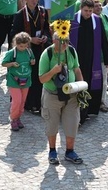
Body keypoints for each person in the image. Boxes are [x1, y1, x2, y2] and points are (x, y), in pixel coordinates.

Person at [39, 24, 84, 165]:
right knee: (52, 124)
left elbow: (76, 69)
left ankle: (70, 151)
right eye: (62, 40)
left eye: (67, 40)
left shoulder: (71, 51)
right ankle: (52, 151)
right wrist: (53, 71)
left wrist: (81, 86)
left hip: (71, 95)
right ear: (54, 41)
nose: (65, 43)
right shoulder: (47, 54)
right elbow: (41, 79)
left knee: (72, 123)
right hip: (52, 95)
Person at [69, 0, 108, 123]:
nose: (88, 13)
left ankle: (87, 110)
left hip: (91, 59)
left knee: (89, 83)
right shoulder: (73, 20)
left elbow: (103, 40)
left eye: (90, 11)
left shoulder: (97, 21)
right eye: (86, 10)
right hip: (76, 59)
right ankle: (75, 111)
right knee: (77, 83)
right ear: (81, 8)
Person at [2, 32, 35, 131]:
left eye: (25, 46)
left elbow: (32, 60)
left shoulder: (29, 52)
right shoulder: (12, 53)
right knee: (17, 101)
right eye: (21, 46)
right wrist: (12, 63)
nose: (23, 48)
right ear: (16, 44)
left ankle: (18, 118)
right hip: (14, 81)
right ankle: (13, 119)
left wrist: (33, 62)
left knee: (22, 102)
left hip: (26, 80)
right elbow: (4, 63)